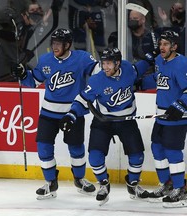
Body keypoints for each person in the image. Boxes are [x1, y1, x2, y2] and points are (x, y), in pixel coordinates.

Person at [11, 28, 101, 200]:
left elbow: (100, 72)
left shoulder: (81, 58)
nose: (55, 47)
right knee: (43, 147)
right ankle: (50, 182)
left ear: (68, 45)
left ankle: (79, 179)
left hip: (73, 113)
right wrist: (23, 74)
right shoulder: (45, 60)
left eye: (59, 44)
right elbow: (33, 81)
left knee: (76, 148)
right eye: (53, 43)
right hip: (48, 113)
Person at [60, 47, 151, 205]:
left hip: (126, 121)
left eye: (109, 63)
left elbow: (140, 68)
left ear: (118, 63)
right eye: (103, 63)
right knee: (95, 158)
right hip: (103, 122)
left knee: (137, 157)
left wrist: (151, 58)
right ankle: (103, 184)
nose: (105, 67)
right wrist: (71, 115)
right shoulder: (97, 80)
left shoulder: (128, 69)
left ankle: (133, 184)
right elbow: (82, 99)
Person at [148, 30, 187, 208]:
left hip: (177, 117)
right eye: (161, 43)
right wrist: (141, 82)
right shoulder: (159, 61)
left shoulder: (182, 64)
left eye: (165, 44)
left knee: (172, 152)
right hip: (161, 116)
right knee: (157, 148)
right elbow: (159, 79)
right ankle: (167, 184)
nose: (161, 47)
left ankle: (180, 189)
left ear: (174, 47)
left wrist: (179, 106)